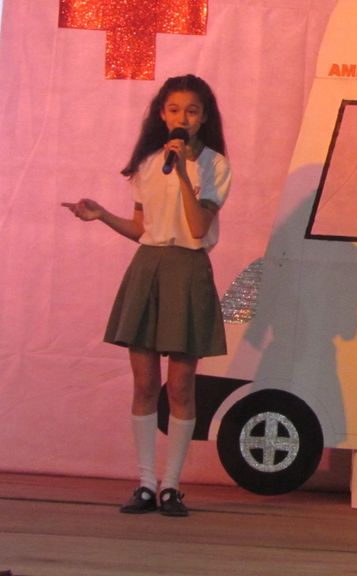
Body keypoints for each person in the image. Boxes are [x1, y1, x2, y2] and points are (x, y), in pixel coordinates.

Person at [63, 74, 231, 517]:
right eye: (174, 110)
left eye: (191, 111)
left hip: (188, 269)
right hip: (149, 267)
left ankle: (171, 486)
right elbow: (142, 229)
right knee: (144, 384)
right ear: (162, 113)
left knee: (181, 386)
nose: (182, 118)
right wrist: (101, 215)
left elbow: (198, 226)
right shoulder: (148, 163)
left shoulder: (214, 165)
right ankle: (144, 483)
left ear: (204, 118)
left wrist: (184, 174)